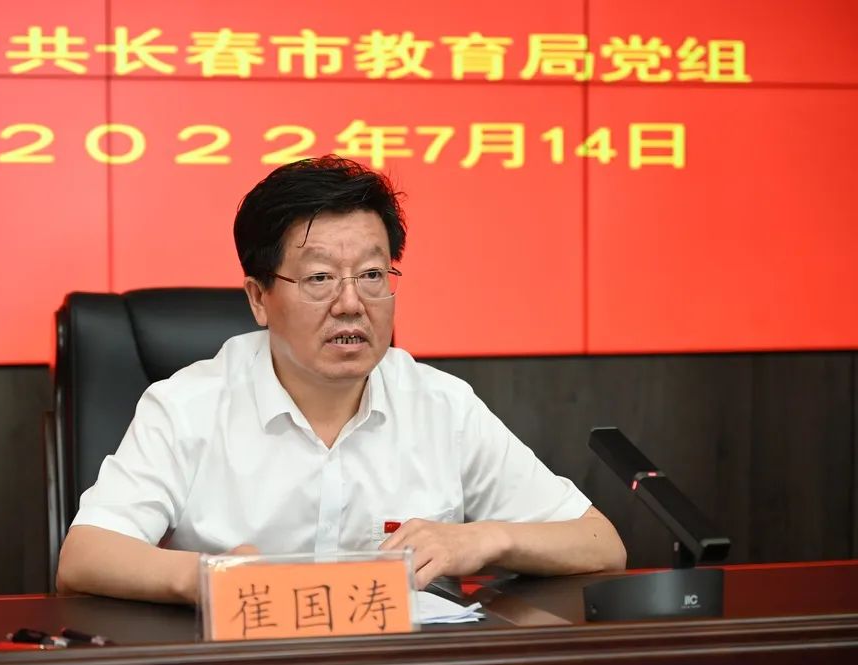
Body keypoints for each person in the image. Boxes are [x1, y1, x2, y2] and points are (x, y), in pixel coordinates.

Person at [56, 155, 626, 604]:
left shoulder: (441, 405)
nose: (352, 303)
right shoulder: (187, 406)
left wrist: (482, 539)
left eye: (373, 275)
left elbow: (600, 543)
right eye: (320, 278)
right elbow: (85, 556)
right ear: (259, 298)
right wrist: (207, 577)